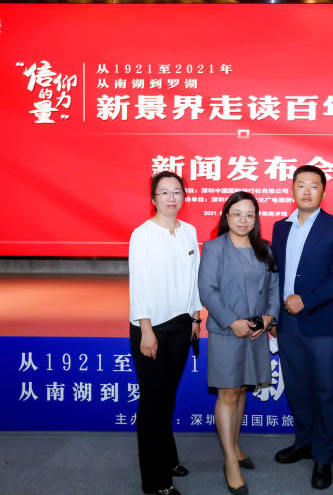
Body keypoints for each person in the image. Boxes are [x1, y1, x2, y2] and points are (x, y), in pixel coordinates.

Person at [270, 165, 333, 490]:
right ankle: (303, 441)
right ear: (292, 189)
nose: (306, 191)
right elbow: (276, 275)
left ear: (323, 192)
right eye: (301, 185)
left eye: (313, 186)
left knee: (324, 390)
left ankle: (323, 456)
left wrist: (306, 300)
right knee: (296, 388)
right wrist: (274, 314)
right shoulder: (281, 228)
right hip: (287, 323)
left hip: (321, 323)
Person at [198, 191, 280, 495]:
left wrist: (268, 318)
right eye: (237, 214)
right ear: (226, 216)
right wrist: (233, 322)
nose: (243, 220)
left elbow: (274, 287)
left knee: (243, 387)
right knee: (228, 392)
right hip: (227, 331)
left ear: (256, 218)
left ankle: (234, 446)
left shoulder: (264, 248)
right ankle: (230, 461)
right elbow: (207, 290)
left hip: (255, 331)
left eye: (249, 215)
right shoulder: (214, 248)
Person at [128, 171, 203, 495]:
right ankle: (155, 481)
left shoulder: (189, 232)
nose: (172, 198)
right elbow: (139, 285)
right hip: (151, 328)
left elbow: (194, 278)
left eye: (177, 192)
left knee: (167, 396)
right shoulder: (142, 235)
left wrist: (196, 318)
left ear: (184, 196)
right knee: (152, 402)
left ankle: (168, 458)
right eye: (164, 192)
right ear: (153, 199)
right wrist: (146, 329)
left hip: (182, 324)